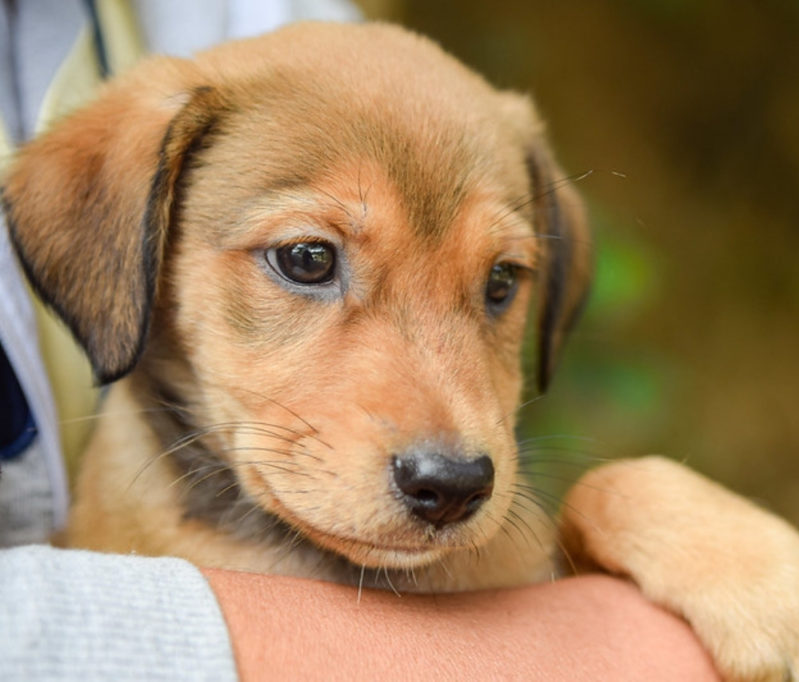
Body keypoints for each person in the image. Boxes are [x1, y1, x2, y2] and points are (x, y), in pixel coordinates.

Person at [0, 2, 719, 679]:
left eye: (499, 281)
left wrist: (628, 517)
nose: (450, 445)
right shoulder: (115, 556)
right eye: (307, 259)